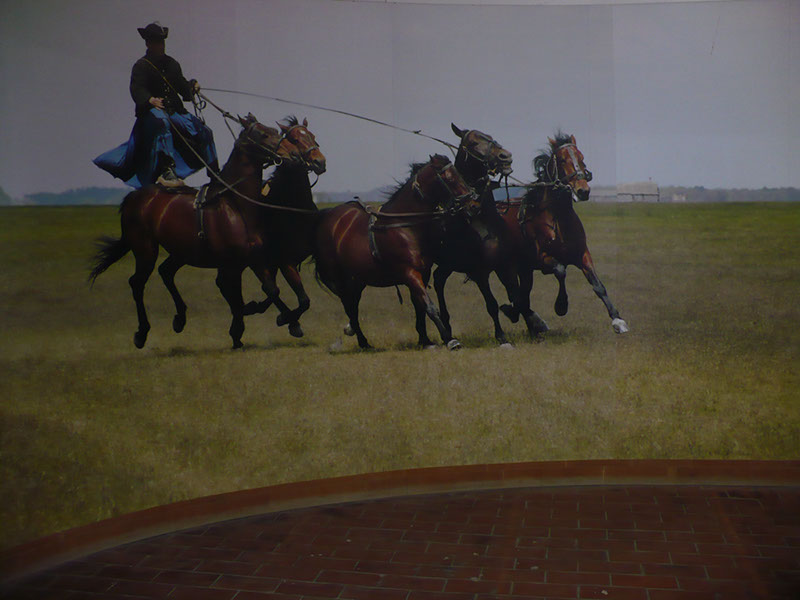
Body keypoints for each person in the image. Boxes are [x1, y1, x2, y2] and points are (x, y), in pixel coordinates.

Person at [93, 22, 218, 188]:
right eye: (157, 42)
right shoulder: (141, 66)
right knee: (162, 123)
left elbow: (182, 87)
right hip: (152, 113)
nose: (161, 45)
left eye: (162, 41)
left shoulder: (172, 64)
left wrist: (192, 86)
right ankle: (167, 169)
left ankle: (215, 173)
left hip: (175, 111)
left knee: (205, 132)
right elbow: (137, 89)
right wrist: (150, 100)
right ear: (148, 43)